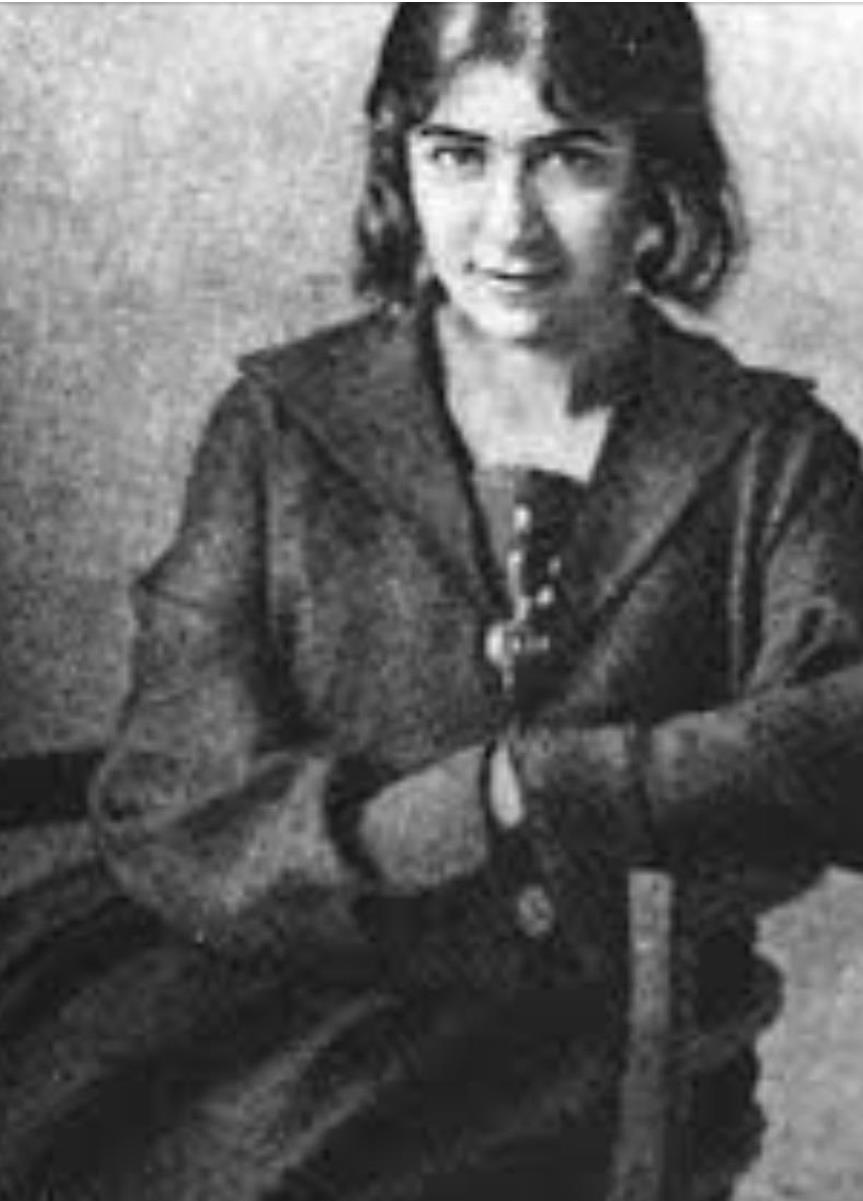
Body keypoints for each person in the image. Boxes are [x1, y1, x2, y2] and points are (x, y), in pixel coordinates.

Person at [4, 4, 863, 1200]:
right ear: (398, 164)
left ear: (656, 174)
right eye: (458, 155)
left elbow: (838, 740)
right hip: (273, 983)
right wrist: (442, 824)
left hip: (593, 1030)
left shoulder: (767, 452)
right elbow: (174, 789)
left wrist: (543, 791)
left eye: (568, 158)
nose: (507, 224)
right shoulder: (280, 427)